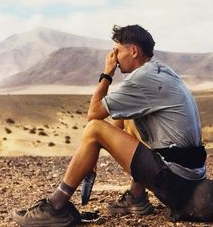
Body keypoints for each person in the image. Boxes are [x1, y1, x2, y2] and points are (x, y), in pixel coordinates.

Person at [12, 24, 207, 226]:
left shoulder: (144, 79)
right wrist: (91, 152)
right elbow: (117, 123)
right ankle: (137, 198)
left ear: (133, 51)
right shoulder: (161, 71)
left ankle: (56, 206)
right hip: (189, 176)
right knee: (126, 114)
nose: (113, 56)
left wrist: (107, 74)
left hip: (176, 182)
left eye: (117, 51)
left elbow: (94, 114)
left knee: (95, 128)